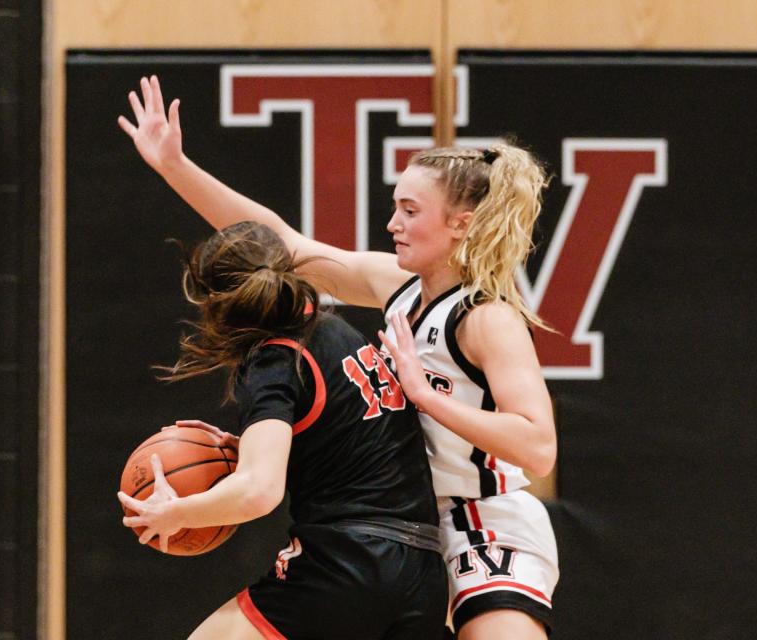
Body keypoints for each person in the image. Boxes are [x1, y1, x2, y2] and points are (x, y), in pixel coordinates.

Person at [119, 75, 559, 640]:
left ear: (461, 224)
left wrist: (425, 396)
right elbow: (285, 245)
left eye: (409, 209)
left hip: (484, 521)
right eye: (394, 207)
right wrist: (174, 167)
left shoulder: (486, 317)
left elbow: (538, 447)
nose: (392, 224)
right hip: (414, 525)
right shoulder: (396, 285)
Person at [116, 221, 448, 640]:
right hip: (423, 573)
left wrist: (176, 512)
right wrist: (250, 446)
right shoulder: (337, 331)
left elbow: (259, 491)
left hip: (346, 565)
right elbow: (348, 443)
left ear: (215, 303)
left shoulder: (274, 361)